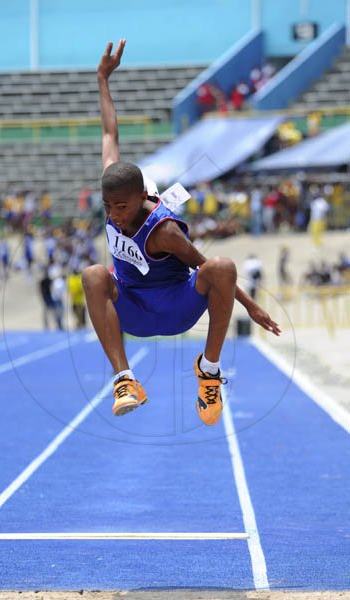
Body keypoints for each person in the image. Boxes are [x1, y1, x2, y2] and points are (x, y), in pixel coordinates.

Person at [81, 40, 280, 427]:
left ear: (142, 198)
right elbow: (110, 134)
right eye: (108, 208)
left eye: (121, 208)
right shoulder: (115, 187)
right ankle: (125, 382)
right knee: (92, 274)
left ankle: (209, 371)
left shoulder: (165, 231)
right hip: (133, 311)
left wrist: (250, 305)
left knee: (221, 265)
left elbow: (211, 271)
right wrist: (103, 79)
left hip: (176, 309)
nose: (114, 216)